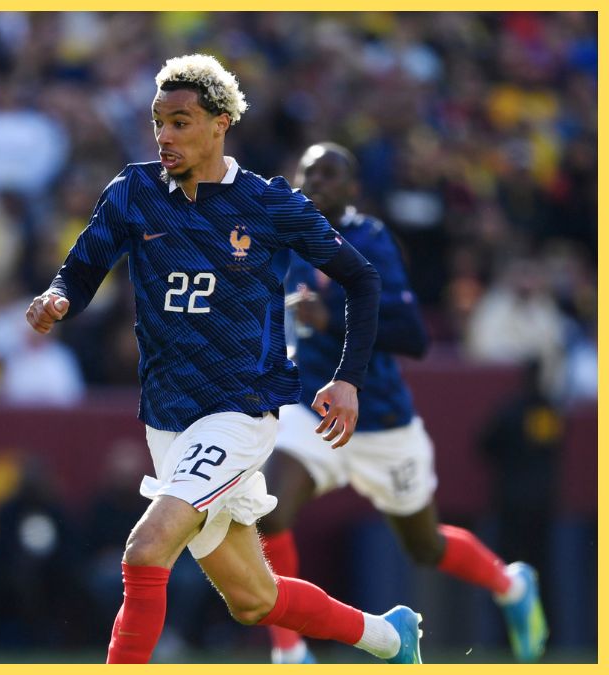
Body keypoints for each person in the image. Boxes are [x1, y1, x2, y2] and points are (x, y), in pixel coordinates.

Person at [26, 53, 421, 664]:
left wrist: (348, 379)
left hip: (241, 409)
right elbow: (81, 271)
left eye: (180, 122)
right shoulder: (133, 193)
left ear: (220, 123)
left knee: (145, 549)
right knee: (254, 599)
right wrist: (57, 298)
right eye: (158, 121)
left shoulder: (267, 204)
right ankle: (391, 637)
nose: (164, 136)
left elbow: (361, 280)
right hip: (167, 419)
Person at [259, 142, 548, 663]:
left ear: (353, 190)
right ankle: (291, 649)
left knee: (423, 546)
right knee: (271, 511)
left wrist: (330, 317)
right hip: (311, 407)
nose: (318, 182)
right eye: (309, 173)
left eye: (331, 174)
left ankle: (511, 584)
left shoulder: (370, 240)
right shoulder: (286, 238)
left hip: (380, 419)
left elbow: (411, 335)